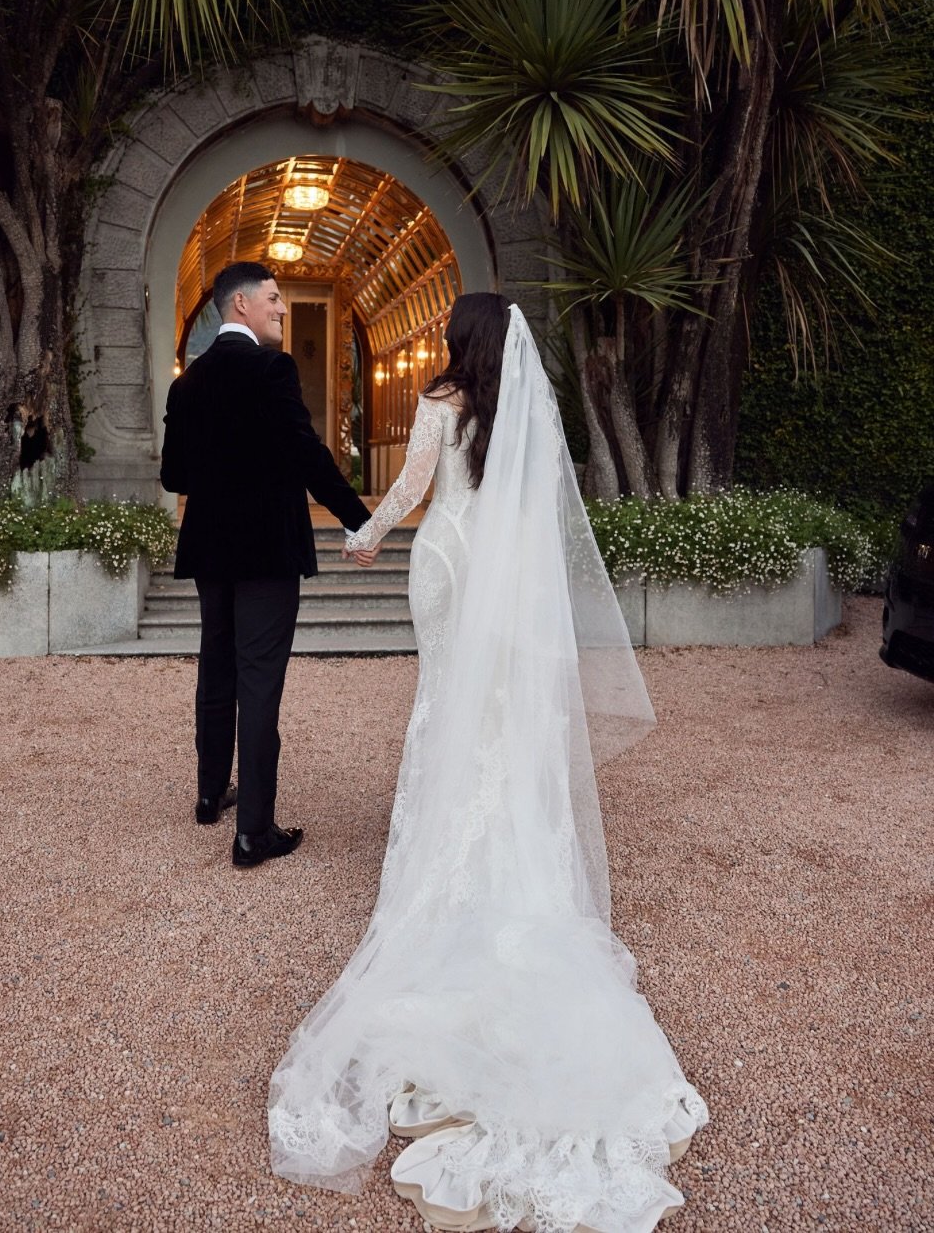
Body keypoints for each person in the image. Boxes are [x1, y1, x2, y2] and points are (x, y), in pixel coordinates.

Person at [268, 295, 708, 1231]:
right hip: (502, 571)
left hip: (447, 558)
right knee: (501, 713)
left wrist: (365, 532)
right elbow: (540, 516)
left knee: (444, 705)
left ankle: (440, 855)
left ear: (458, 343)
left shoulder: (439, 403)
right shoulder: (523, 414)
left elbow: (417, 488)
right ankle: (510, 843)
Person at [160, 262, 376, 869]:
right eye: (275, 299)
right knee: (259, 680)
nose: (283, 309)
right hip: (266, 549)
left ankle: (209, 794)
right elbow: (306, 453)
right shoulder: (272, 368)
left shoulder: (188, 384)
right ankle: (253, 831)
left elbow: (175, 475)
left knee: (217, 666)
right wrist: (359, 518)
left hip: (210, 546)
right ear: (241, 307)